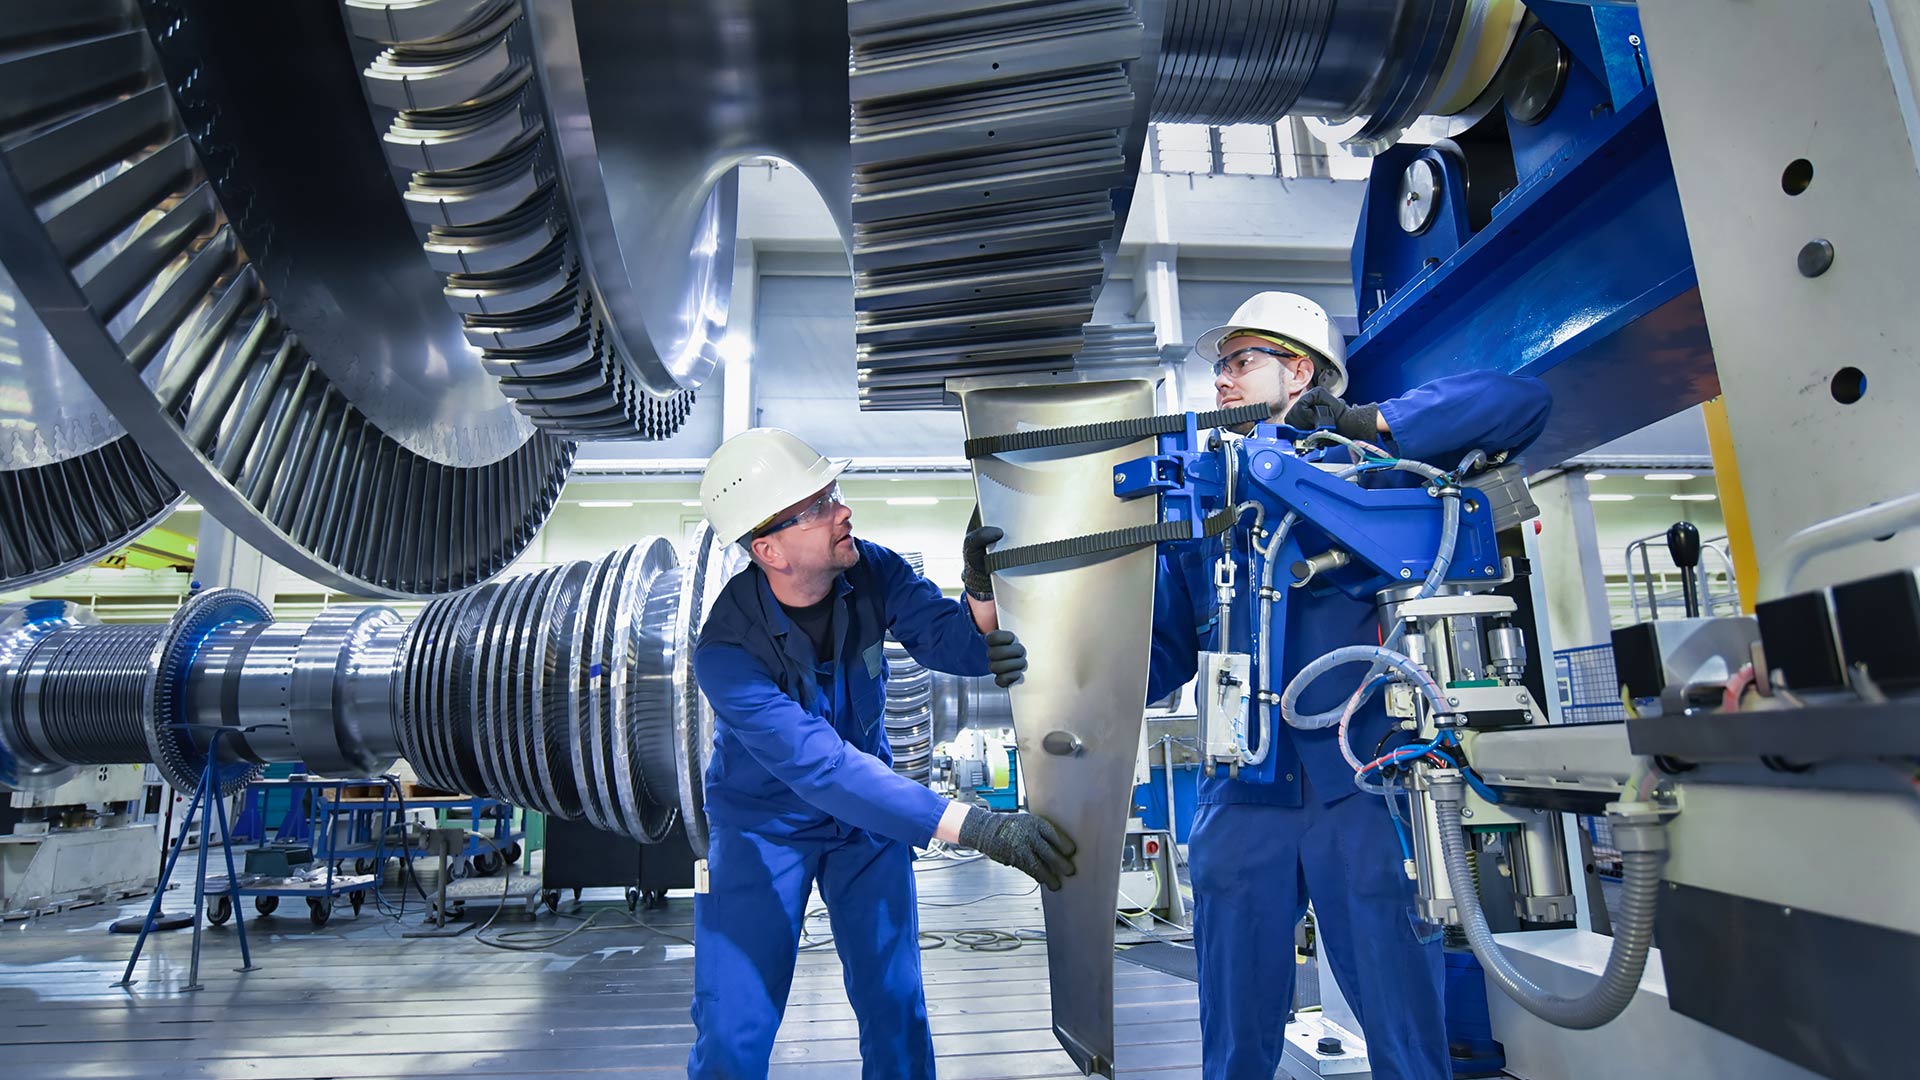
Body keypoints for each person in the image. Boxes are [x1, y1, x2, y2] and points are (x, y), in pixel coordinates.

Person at [1148, 292, 1552, 1080]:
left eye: (1241, 362)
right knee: (1233, 1042)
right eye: (1220, 367)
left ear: (1299, 370)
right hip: (1238, 794)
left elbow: (1522, 401)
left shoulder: (1372, 474)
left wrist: (1374, 426)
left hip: (1363, 787)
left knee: (1406, 1034)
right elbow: (1161, 661)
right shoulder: (1202, 501)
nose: (1221, 382)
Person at [689, 427, 1078, 1080]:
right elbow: (821, 767)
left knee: (896, 1005)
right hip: (762, 829)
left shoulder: (872, 569)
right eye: (816, 506)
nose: (842, 509)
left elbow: (947, 643)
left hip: (865, 823)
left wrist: (983, 592)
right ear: (769, 548)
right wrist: (974, 826)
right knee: (734, 1024)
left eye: (832, 492)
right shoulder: (725, 653)